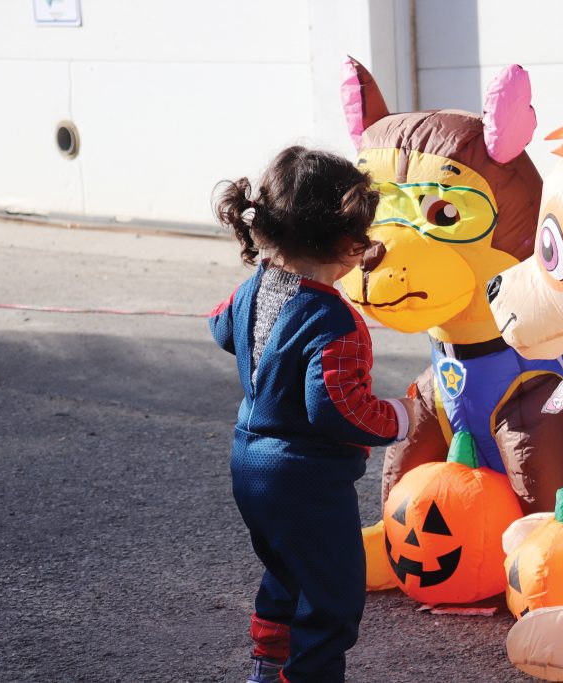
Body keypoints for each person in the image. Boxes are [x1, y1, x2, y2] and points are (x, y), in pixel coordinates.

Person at [208, 145, 412, 683]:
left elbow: (221, 328)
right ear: (350, 245)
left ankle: (267, 664)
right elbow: (339, 411)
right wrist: (404, 417)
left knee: (287, 568)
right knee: (335, 593)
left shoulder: (251, 290)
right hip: (306, 479)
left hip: (249, 467)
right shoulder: (333, 320)